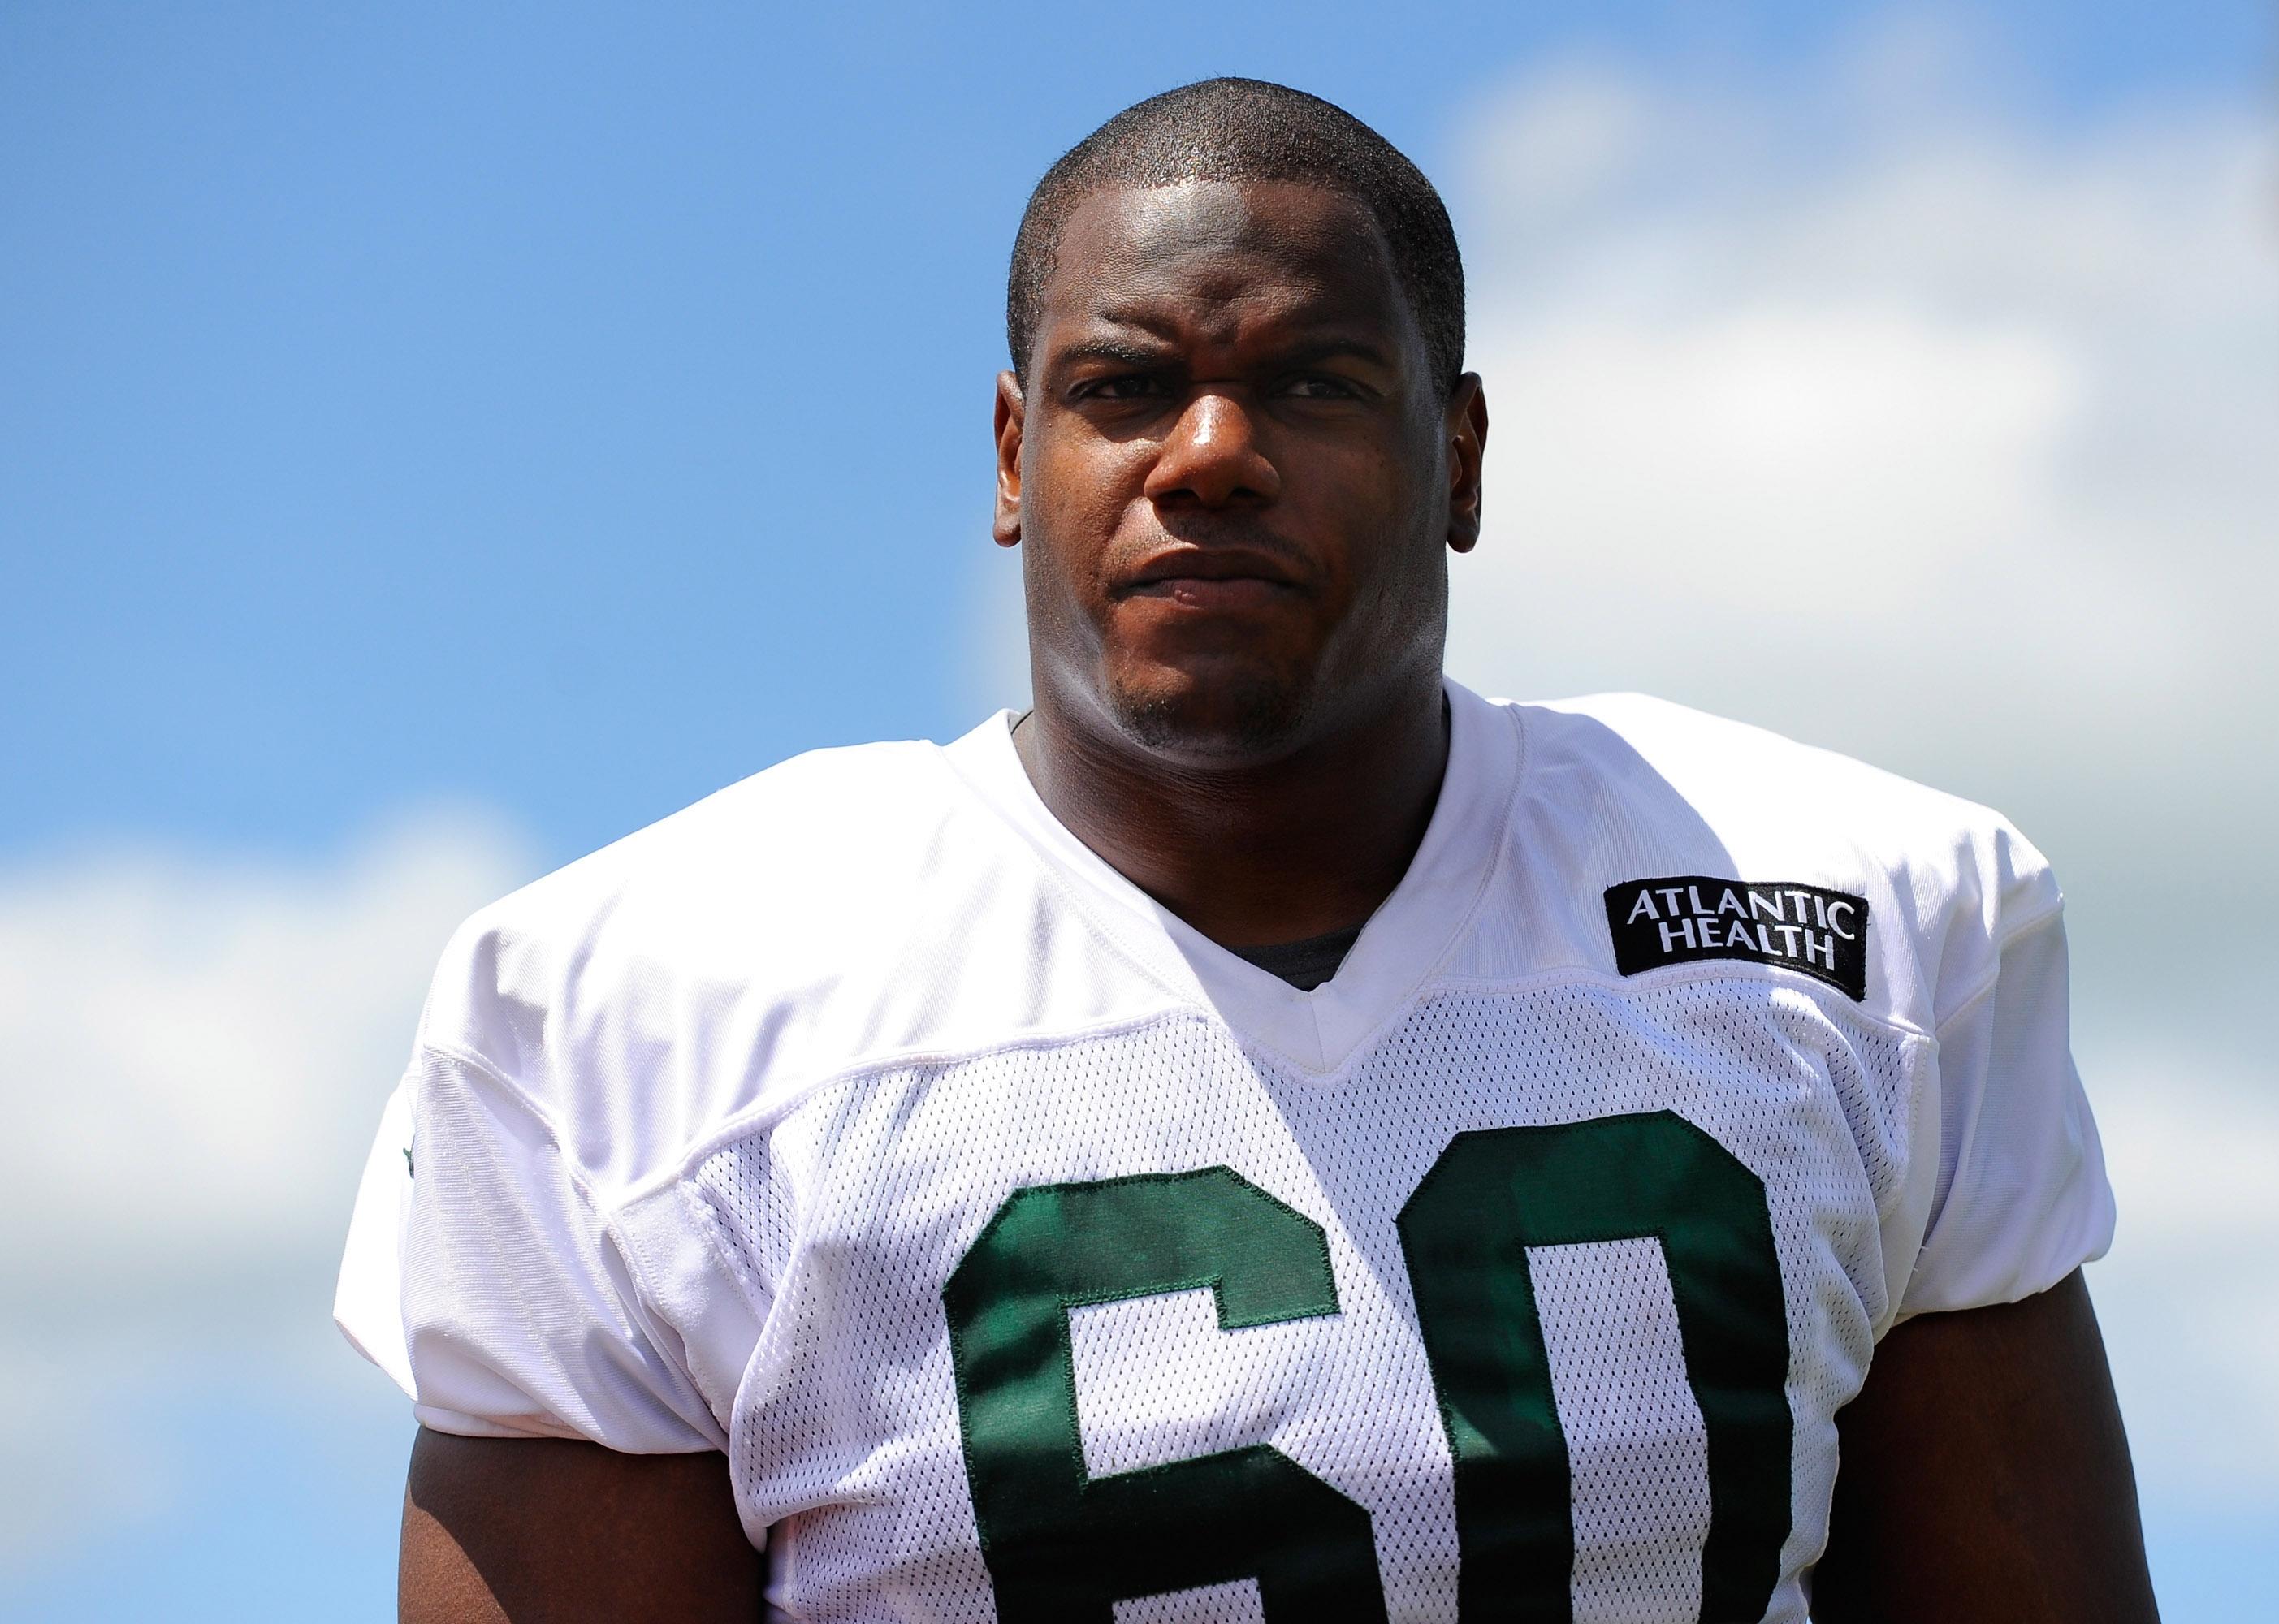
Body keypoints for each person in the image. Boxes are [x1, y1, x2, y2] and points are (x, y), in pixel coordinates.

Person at [336, 76, 2159, 1623]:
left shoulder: (1864, 922)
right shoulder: (630, 1007)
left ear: (1459, 455)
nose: (1208, 454)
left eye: (1311, 384)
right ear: (1007, 456)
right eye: (1125, 387)